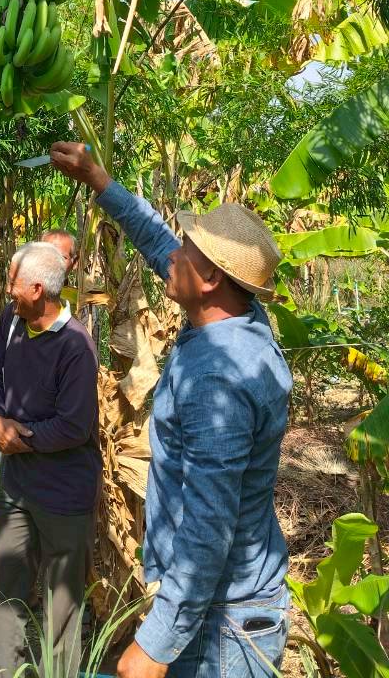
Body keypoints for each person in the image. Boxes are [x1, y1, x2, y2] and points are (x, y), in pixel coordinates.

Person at [50, 143, 292, 678]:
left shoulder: (217, 380)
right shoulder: (238, 320)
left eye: (186, 251)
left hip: (221, 628)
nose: (172, 257)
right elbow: (158, 242)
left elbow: (209, 523)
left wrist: (157, 643)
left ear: (211, 280)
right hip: (231, 612)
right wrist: (100, 181)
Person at [0, 241, 101, 678]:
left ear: (36, 289)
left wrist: (19, 440)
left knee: (61, 611)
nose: (6, 289)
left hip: (65, 494)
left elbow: (74, 426)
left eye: (12, 282)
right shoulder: (12, 321)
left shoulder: (75, 346)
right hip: (17, 485)